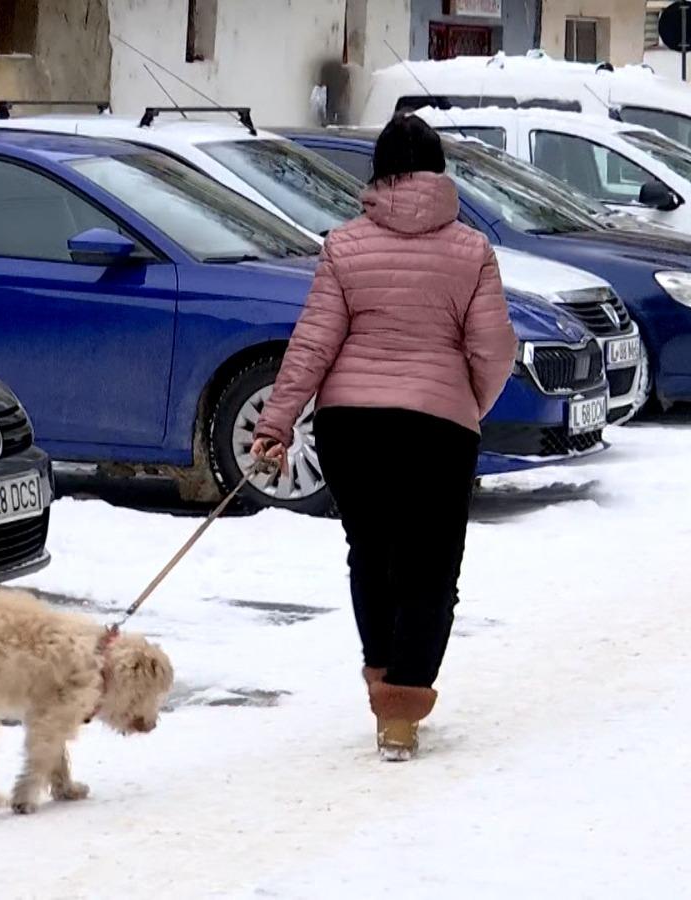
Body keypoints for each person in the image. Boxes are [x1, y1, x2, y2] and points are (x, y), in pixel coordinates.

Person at [250, 114, 517, 761]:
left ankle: (380, 684)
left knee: (371, 552)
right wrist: (465, 403)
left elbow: (313, 344)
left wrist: (277, 422)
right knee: (430, 566)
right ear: (440, 173)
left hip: (352, 426)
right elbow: (494, 348)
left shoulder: (344, 245)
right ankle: (402, 712)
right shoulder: (472, 251)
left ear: (378, 173)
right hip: (438, 429)